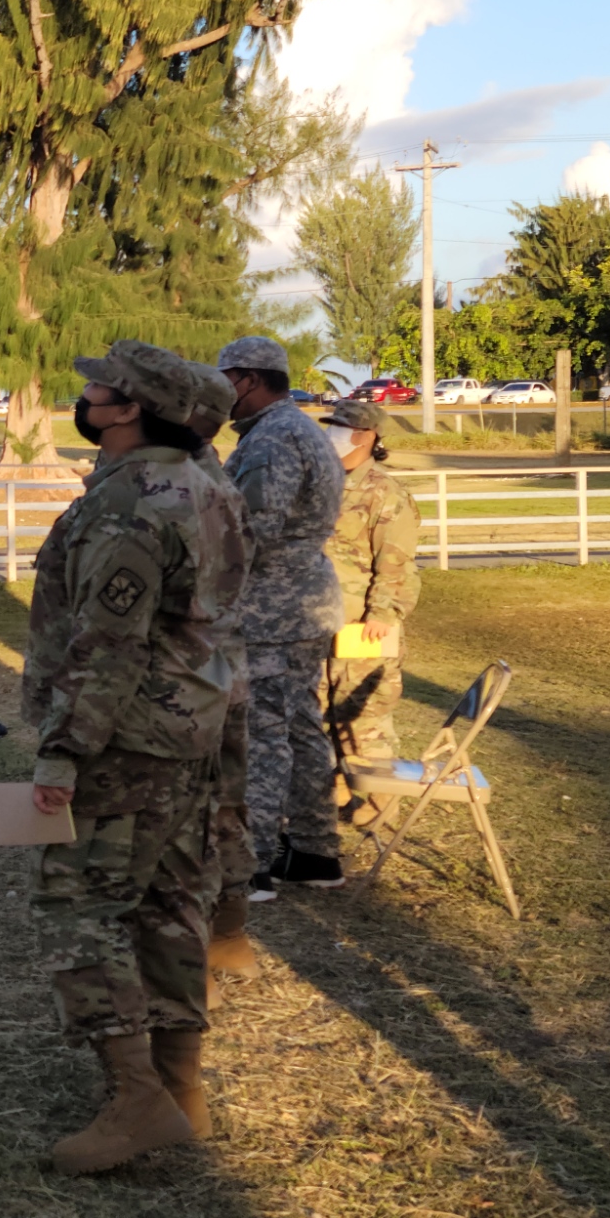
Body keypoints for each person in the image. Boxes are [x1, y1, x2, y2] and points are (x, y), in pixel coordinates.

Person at [25, 342, 249, 1175]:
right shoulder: (208, 486)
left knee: (74, 904)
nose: (83, 395)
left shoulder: (130, 504)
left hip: (123, 738)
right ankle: (180, 1088)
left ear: (127, 408)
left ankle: (137, 1098)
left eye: (96, 387)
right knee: (170, 904)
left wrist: (62, 754)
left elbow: (108, 644)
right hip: (190, 726)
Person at [217, 335, 346, 897]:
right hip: (302, 604)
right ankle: (317, 853)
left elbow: (254, 530)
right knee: (299, 727)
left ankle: (254, 864)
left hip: (273, 611)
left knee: (262, 735)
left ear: (247, 379)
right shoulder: (301, 430)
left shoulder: (272, 439)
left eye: (224, 381)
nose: (219, 394)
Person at [178, 363, 261, 1006]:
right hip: (223, 668)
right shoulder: (216, 476)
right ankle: (228, 937)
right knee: (225, 809)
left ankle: (192, 959)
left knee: (186, 821)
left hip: (187, 678)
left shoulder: (179, 487)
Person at [317, 397, 420, 790]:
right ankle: (339, 795)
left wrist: (381, 613)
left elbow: (396, 562)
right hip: (322, 621)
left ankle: (377, 804)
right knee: (322, 712)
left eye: (338, 429)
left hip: (364, 627)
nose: (331, 436)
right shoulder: (328, 484)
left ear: (364, 437)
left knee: (362, 718)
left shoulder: (385, 493)